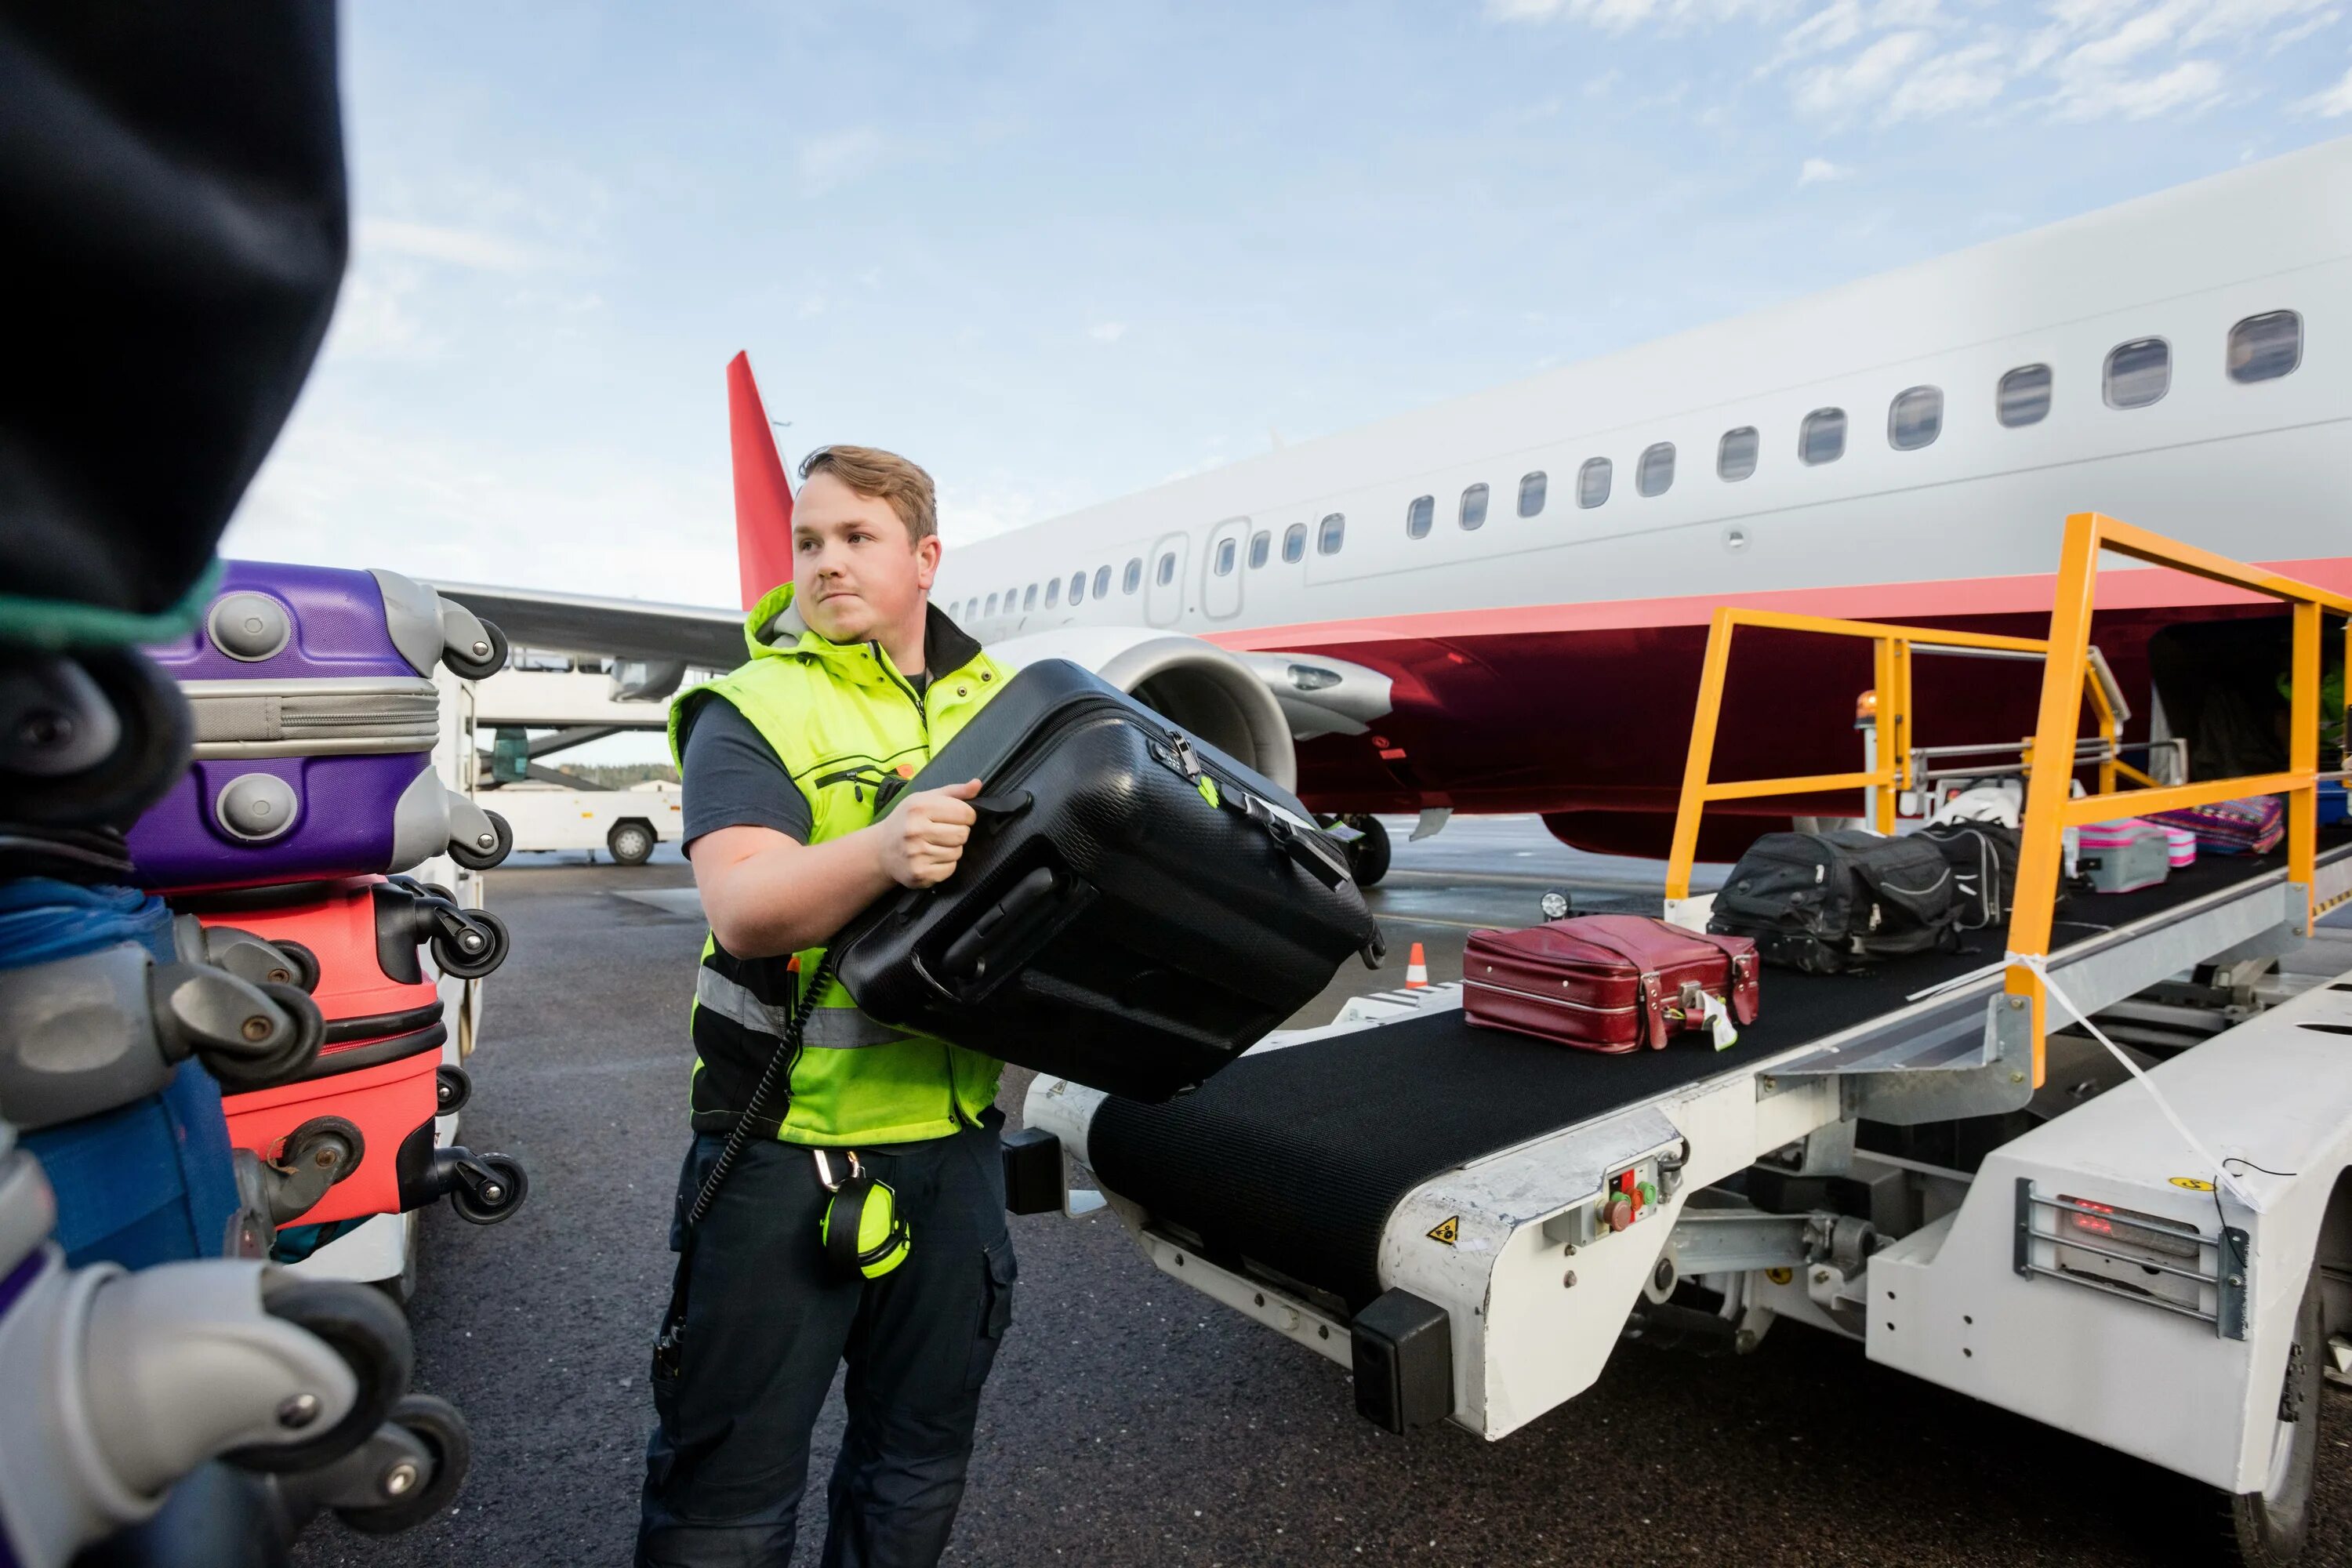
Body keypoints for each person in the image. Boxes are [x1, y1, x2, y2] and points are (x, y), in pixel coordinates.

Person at [637, 445, 1016, 1568]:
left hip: (955, 1153)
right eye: (810, 542)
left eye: (857, 538)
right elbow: (748, 907)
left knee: (914, 1469)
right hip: (780, 1149)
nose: (826, 563)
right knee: (729, 1501)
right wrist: (888, 846)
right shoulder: (750, 705)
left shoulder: (1005, 706)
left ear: (925, 558)